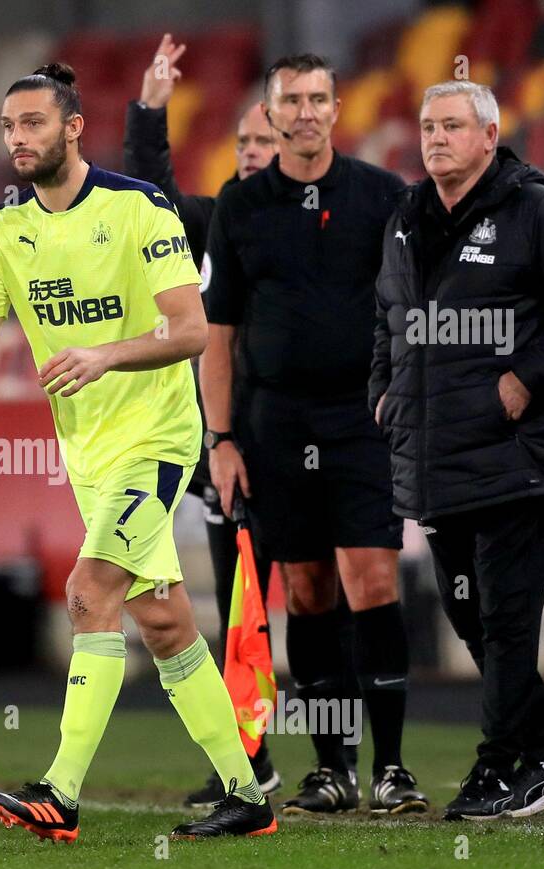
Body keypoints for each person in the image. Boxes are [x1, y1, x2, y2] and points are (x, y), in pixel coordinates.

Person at [0, 63, 276, 842]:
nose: (18, 139)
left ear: (73, 127)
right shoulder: (0, 233)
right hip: (90, 452)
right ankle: (248, 796)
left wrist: (105, 355)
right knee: (164, 622)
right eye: (10, 127)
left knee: (88, 588)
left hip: (157, 438)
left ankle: (60, 791)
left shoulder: (138, 208)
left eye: (34, 124)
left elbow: (189, 330)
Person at [371, 81, 544, 820]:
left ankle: (497, 766)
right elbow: (387, 319)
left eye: (452, 125)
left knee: (507, 623)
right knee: (474, 622)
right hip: (436, 459)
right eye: (427, 125)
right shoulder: (406, 219)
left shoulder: (537, 212)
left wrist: (526, 377)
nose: (436, 138)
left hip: (514, 458)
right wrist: (382, 394)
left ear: (490, 136)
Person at [203, 53, 428, 815]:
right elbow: (217, 332)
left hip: (360, 420)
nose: (304, 112)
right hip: (274, 422)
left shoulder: (383, 196)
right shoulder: (240, 206)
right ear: (269, 114)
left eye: (318, 99)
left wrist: (401, 396)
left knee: (372, 577)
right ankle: (332, 769)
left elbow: (412, 311)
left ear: (338, 109)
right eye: (290, 100)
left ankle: (393, 768)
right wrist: (221, 439)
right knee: (305, 588)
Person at [124, 34, 282, 804]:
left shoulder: (340, 215)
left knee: (328, 596)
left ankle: (348, 761)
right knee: (242, 599)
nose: (250, 151)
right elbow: (150, 196)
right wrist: (152, 111)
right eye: (243, 141)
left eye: (265, 140)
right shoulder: (219, 221)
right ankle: (251, 757)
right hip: (231, 442)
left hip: (311, 436)